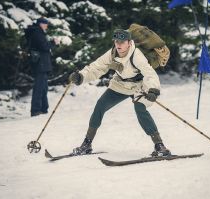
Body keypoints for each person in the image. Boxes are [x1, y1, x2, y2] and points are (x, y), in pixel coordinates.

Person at [68, 29, 171, 157]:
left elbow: (149, 74)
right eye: (117, 41)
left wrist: (153, 90)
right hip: (120, 85)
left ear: (129, 42)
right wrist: (81, 76)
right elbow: (96, 67)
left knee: (140, 108)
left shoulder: (136, 55)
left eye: (122, 42)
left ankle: (159, 146)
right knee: (100, 106)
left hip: (138, 86)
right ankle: (86, 144)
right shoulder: (112, 53)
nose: (119, 44)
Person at [26, 17, 59, 117]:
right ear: (40, 24)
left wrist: (52, 44)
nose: (46, 25)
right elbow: (44, 46)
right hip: (40, 64)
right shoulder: (37, 32)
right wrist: (54, 42)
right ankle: (35, 110)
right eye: (45, 23)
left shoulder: (38, 32)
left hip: (42, 64)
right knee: (39, 88)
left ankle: (44, 109)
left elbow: (44, 46)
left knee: (43, 87)